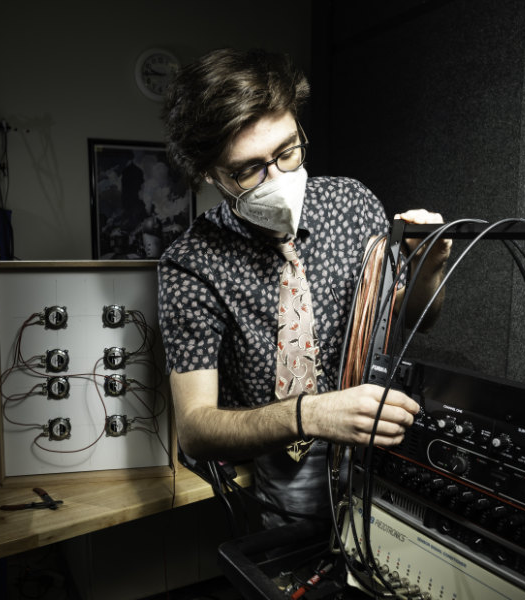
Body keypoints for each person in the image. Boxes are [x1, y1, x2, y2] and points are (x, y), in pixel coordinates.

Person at [157, 48, 451, 527]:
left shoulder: (351, 203)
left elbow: (415, 319)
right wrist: (310, 416)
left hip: (371, 440)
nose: (278, 178)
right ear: (211, 175)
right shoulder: (191, 264)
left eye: (288, 151)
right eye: (249, 169)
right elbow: (195, 429)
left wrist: (430, 267)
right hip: (281, 456)